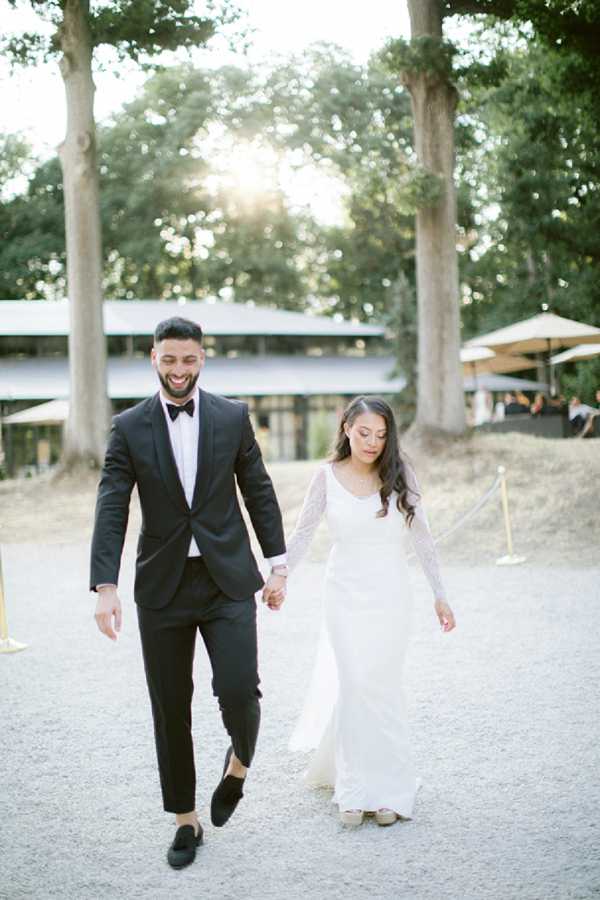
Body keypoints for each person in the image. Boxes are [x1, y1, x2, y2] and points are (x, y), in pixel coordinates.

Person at [90, 317, 287, 869]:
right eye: (170, 360)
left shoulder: (232, 416)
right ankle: (185, 819)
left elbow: (259, 490)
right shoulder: (128, 426)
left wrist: (279, 565)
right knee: (170, 706)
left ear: (203, 358)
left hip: (227, 580)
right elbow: (111, 504)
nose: (180, 370)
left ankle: (239, 765)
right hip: (163, 586)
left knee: (240, 690)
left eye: (190, 360)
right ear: (154, 357)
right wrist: (106, 584)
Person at [279, 395, 456, 827]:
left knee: (383, 686)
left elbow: (423, 538)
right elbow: (302, 534)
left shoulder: (400, 473)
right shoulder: (325, 476)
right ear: (345, 428)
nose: (373, 442)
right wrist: (280, 575)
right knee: (356, 683)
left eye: (380, 435)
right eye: (364, 433)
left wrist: (440, 593)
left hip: (391, 594)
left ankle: (391, 789)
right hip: (344, 594)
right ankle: (354, 787)